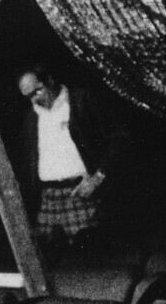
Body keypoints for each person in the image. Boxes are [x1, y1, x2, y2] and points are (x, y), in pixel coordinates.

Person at [17, 64, 128, 257]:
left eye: (38, 90)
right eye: (29, 96)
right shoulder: (31, 118)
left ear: (50, 80)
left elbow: (119, 138)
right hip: (49, 197)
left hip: (82, 192)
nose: (36, 99)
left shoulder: (82, 101)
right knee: (52, 261)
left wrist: (99, 176)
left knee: (95, 258)